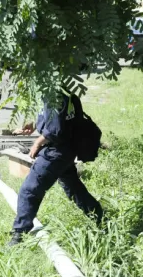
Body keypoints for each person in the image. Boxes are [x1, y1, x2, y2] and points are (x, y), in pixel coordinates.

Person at [7, 93, 103, 246]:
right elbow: (64, 118)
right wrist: (35, 124)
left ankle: (19, 234)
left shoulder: (52, 94)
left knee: (29, 190)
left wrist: (37, 143)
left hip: (55, 152)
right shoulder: (64, 91)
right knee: (74, 188)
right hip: (68, 150)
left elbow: (54, 130)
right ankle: (100, 218)